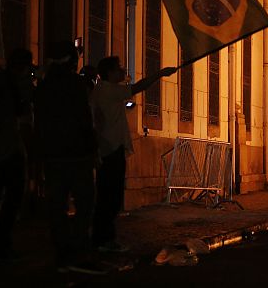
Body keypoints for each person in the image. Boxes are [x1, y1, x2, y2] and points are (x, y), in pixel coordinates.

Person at [91, 56, 176, 253]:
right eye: (118, 68)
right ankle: (103, 239)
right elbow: (138, 87)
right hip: (111, 148)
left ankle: (103, 237)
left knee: (107, 195)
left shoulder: (101, 90)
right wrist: (161, 73)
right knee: (110, 197)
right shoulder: (108, 89)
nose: (122, 70)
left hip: (107, 147)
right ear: (109, 73)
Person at [35, 41, 101, 274]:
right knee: (84, 204)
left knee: (57, 206)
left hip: (52, 155)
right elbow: (84, 119)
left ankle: (62, 255)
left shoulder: (43, 85)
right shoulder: (75, 84)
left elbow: (40, 121)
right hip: (76, 154)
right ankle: (79, 253)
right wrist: (92, 149)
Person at [0, 49, 35, 262]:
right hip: (8, 149)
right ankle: (2, 243)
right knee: (12, 198)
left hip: (6, 147)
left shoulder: (1, 80)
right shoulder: (13, 84)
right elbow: (21, 110)